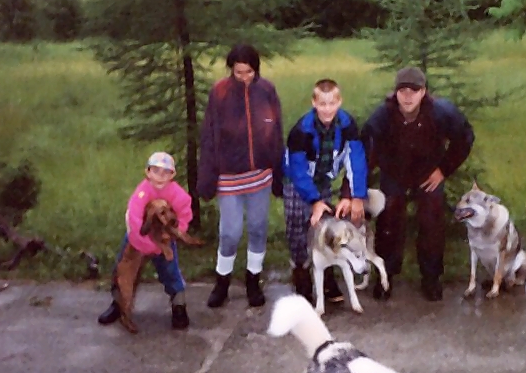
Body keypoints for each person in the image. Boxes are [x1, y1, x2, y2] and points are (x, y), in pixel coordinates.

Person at [361, 67, 475, 302]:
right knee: (389, 217)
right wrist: (355, 191)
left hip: (427, 174)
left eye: (414, 90)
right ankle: (385, 275)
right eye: (402, 90)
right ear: (395, 93)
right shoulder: (382, 116)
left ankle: (431, 277)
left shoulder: (441, 113)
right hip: (395, 173)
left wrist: (443, 169)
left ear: (423, 92)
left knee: (432, 218)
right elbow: (365, 153)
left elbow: (465, 138)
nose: (408, 96)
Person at [197, 44, 285, 308]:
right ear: (231, 70)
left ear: (256, 69)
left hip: (260, 175)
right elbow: (209, 136)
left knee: (258, 228)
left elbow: (276, 130)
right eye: (239, 72)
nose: (244, 77)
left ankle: (253, 280)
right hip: (228, 176)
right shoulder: (219, 93)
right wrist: (207, 177)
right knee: (230, 232)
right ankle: (222, 281)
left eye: (249, 72)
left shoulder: (267, 90)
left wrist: (278, 171)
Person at [283, 78, 369, 302]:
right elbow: (298, 169)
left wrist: (355, 196)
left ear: (339, 102)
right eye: (322, 104)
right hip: (297, 180)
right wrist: (314, 201)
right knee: (297, 225)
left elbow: (356, 159)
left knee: (326, 223)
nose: (327, 109)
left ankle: (327, 271)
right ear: (314, 103)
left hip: (323, 178)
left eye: (332, 103)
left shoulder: (348, 125)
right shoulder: (300, 131)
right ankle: (301, 272)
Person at [97, 151, 192, 330]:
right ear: (148, 172)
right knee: (124, 268)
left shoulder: (177, 193)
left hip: (163, 237)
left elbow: (184, 213)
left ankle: (179, 304)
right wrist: (146, 244)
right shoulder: (142, 192)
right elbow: (134, 218)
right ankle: (119, 303)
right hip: (139, 236)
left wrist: (175, 233)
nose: (160, 176)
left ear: (172, 175)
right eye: (156, 171)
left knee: (170, 270)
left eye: (165, 172)